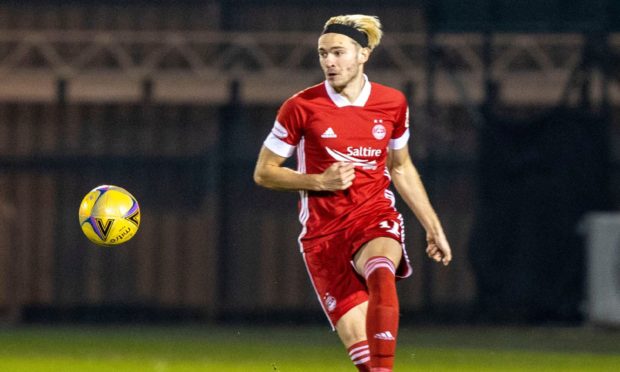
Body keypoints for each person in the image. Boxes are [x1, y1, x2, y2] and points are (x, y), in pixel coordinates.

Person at [253, 14, 452, 372]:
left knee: (380, 270)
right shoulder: (301, 107)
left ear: (364, 54)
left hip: (373, 215)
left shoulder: (392, 103)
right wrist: (318, 182)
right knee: (364, 359)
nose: (329, 61)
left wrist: (432, 226)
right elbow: (264, 173)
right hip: (323, 235)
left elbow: (401, 167)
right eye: (322, 53)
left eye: (339, 52)